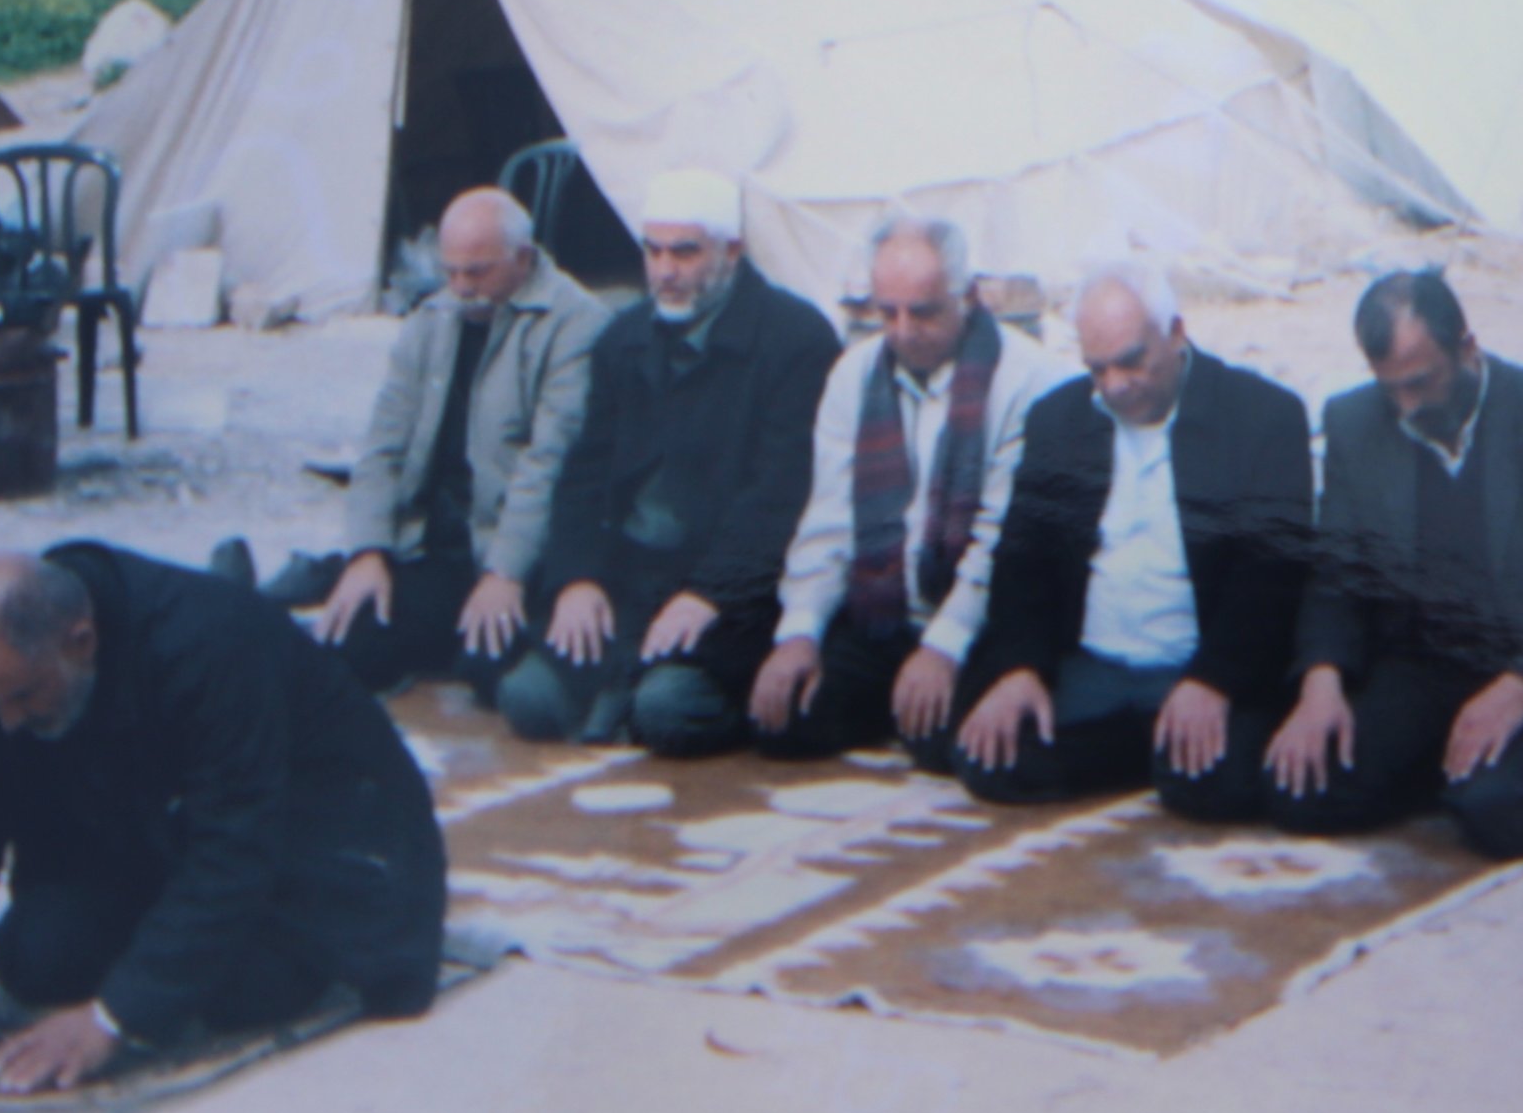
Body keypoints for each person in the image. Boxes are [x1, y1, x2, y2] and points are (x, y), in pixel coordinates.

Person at [0, 544, 447, 1093]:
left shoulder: (208, 645)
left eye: (24, 697)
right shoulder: (3, 666)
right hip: (167, 819)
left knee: (238, 991)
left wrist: (113, 1018)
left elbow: (234, 850)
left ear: (81, 641)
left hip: (322, 834)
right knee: (37, 958)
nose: (6, 721)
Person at [1262, 269, 1523, 857]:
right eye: (1391, 388)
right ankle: (1451, 770)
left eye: (1421, 383)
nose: (1407, 406)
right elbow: (1337, 575)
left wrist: (1520, 686)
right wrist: (1322, 682)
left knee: (1499, 812)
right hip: (1426, 668)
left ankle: (1489, 777)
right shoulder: (1354, 422)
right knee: (1297, 787)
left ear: (1467, 347)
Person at [954, 260, 1311, 820]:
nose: (1115, 385)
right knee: (984, 747)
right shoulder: (1059, 420)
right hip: (1092, 666)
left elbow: (1272, 574)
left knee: (1221, 784)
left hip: (1198, 663)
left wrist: (1214, 680)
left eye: (1131, 361)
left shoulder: (1263, 416)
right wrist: (1020, 668)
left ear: (1176, 332)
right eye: (1098, 369)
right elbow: (1022, 558)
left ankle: (1149, 745)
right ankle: (1145, 747)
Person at [500, 168, 839, 754]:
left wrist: (709, 592)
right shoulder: (624, 338)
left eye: (684, 252)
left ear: (731, 251)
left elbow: (781, 493)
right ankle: (620, 687)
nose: (664, 271)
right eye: (653, 251)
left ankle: (656, 696)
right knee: (528, 698)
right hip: (630, 576)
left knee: (667, 710)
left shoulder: (796, 339)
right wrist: (577, 577)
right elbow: (583, 473)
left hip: (737, 588)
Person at [749, 215, 1064, 767]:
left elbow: (1000, 539)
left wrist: (944, 646)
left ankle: (916, 704)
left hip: (979, 621)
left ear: (967, 297)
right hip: (881, 615)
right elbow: (828, 521)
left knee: (950, 745)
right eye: (886, 312)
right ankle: (894, 700)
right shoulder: (854, 373)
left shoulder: (1030, 380)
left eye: (922, 312)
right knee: (783, 720)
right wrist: (799, 633)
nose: (902, 330)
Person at [280, 188, 609, 698]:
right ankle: (317, 582)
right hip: (433, 542)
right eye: (450, 271)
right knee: (349, 648)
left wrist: (505, 572)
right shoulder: (432, 319)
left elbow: (548, 463)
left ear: (523, 259)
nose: (460, 287)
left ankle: (343, 587)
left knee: (487, 670)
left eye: (476, 272)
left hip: (512, 545)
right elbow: (382, 447)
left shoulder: (576, 325)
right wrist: (368, 551)